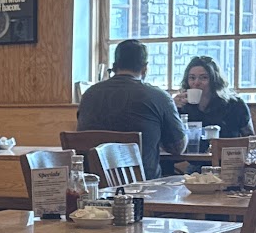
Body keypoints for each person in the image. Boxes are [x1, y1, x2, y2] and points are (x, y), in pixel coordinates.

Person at [77, 39, 186, 180]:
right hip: (141, 186)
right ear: (145, 68)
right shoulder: (158, 97)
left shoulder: (89, 95)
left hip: (93, 185)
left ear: (114, 66)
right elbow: (178, 148)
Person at [173, 55, 252, 137]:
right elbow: (169, 139)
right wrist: (172, 108)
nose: (196, 83)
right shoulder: (181, 107)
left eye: (203, 78)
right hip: (193, 146)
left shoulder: (235, 105)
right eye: (192, 78)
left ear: (214, 80)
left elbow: (250, 138)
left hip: (225, 145)